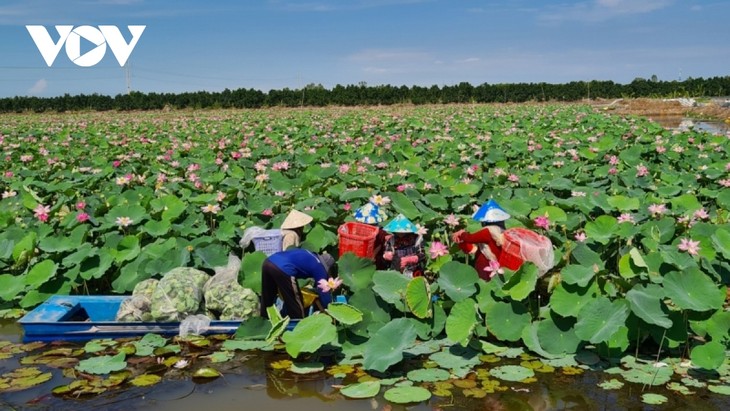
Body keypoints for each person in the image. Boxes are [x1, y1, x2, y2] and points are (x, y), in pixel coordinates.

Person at [260, 248, 336, 319]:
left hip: (268, 262)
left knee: (267, 299)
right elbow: (323, 292)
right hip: (284, 268)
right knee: (295, 304)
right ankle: (296, 326)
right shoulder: (319, 267)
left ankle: (264, 323)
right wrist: (331, 309)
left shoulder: (310, 254)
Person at [452, 199, 510, 281]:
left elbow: (470, 238)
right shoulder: (502, 231)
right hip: (498, 259)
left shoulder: (488, 231)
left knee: (484, 278)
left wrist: (462, 234)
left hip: (487, 261)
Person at [382, 214, 426, 278]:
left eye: (402, 231)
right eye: (398, 231)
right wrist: (387, 255)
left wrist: (410, 259)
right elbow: (386, 252)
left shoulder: (417, 239)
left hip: (414, 270)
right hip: (397, 270)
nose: (400, 233)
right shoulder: (391, 240)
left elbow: (422, 255)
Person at [352, 201, 389, 269]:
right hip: (362, 258)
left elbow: (385, 240)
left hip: (376, 261)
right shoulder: (357, 230)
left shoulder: (381, 233)